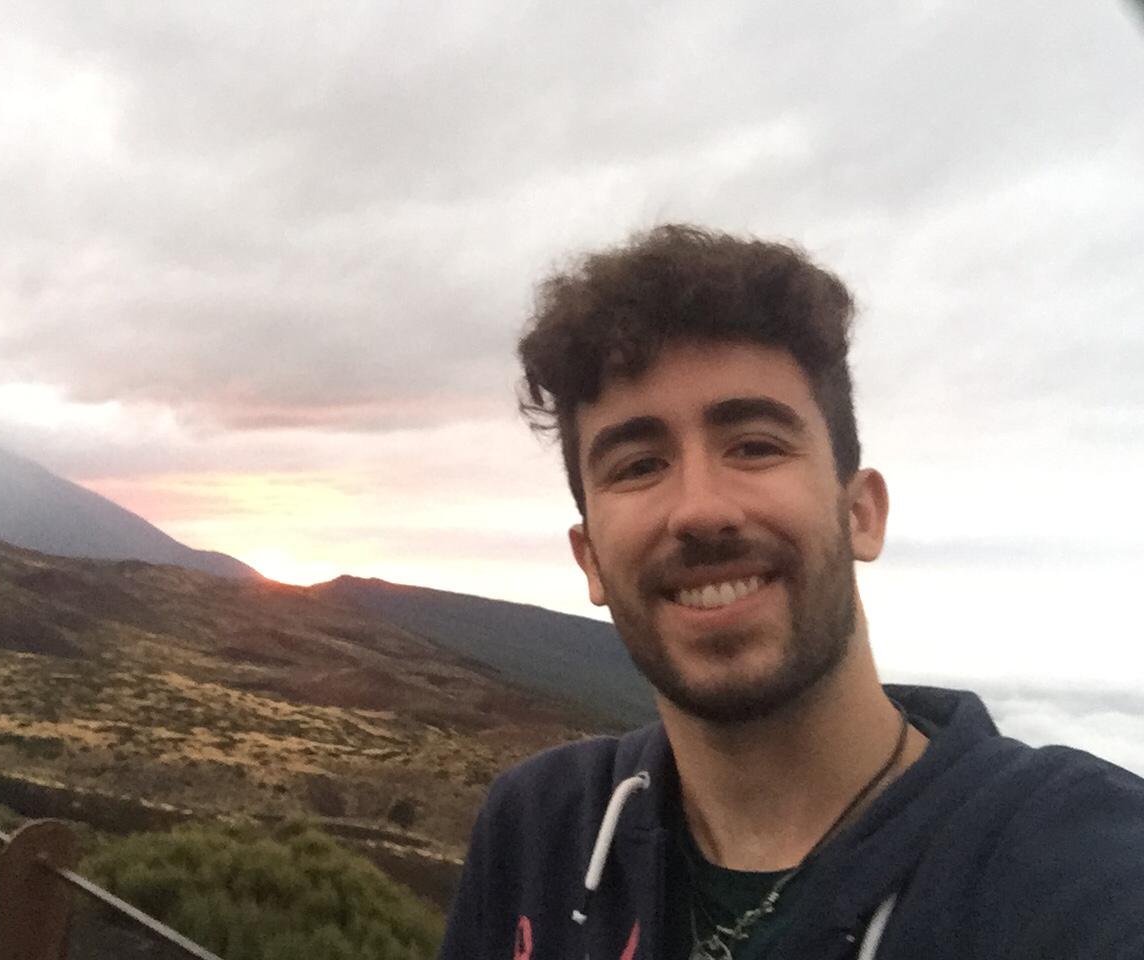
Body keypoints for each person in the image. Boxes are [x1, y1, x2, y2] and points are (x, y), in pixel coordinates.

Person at [438, 225, 1144, 959]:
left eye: (754, 445)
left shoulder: (1085, 875)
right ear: (590, 559)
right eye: (639, 464)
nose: (701, 509)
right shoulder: (541, 832)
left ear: (860, 513)